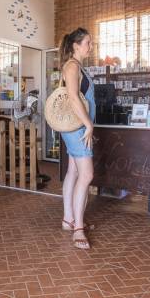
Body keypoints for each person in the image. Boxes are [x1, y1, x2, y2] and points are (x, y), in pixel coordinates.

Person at [59, 27, 96, 250]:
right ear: (76, 46)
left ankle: (68, 219)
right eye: (88, 43)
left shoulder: (79, 66)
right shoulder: (72, 66)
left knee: (73, 171)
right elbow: (73, 97)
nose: (90, 47)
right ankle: (78, 229)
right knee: (87, 174)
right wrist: (88, 124)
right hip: (77, 128)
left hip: (78, 126)